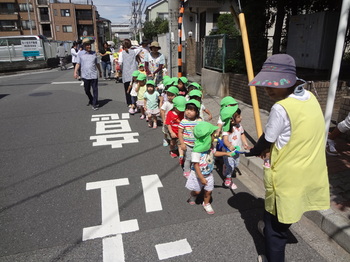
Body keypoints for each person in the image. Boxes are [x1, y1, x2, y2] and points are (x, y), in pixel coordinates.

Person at [244, 54, 330, 262]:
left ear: (289, 81)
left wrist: (254, 150)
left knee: (275, 229)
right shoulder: (310, 97)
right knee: (287, 217)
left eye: (273, 84)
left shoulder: (280, 108)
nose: (267, 89)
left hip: (287, 177)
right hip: (311, 173)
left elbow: (268, 139)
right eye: (265, 85)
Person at [185, 121, 237, 215]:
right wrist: (201, 178)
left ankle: (206, 203)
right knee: (197, 191)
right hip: (197, 176)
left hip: (208, 174)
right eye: (213, 134)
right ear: (206, 138)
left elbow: (215, 153)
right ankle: (193, 195)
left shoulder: (210, 146)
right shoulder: (196, 151)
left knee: (208, 192)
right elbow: (196, 165)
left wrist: (226, 153)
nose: (215, 136)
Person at [220, 108, 249, 189]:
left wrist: (245, 143)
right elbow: (225, 140)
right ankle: (228, 179)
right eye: (239, 116)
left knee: (236, 164)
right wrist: (229, 146)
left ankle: (225, 166)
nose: (241, 118)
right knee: (231, 166)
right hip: (228, 152)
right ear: (232, 120)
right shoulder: (226, 128)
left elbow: (242, 134)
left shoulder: (239, 126)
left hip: (237, 150)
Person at [74, 39, 102, 110]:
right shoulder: (80, 54)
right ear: (84, 46)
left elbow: (97, 63)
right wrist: (75, 72)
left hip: (93, 74)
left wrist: (100, 71)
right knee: (87, 90)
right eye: (87, 45)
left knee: (95, 89)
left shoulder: (94, 53)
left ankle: (95, 103)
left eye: (89, 45)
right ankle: (91, 99)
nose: (89, 46)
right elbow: (78, 63)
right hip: (85, 75)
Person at [178, 99, 202, 177]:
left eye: (192, 110)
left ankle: (195, 169)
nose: (188, 112)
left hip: (197, 144)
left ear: (197, 112)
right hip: (187, 144)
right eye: (187, 109)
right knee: (188, 158)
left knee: (197, 158)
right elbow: (180, 132)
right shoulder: (184, 121)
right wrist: (182, 143)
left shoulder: (199, 121)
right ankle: (186, 171)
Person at [118, 39, 140, 107]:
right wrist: (133, 46)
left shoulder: (121, 53)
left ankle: (129, 103)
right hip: (134, 73)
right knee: (135, 87)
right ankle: (135, 102)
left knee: (127, 88)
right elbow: (140, 48)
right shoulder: (134, 51)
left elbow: (120, 63)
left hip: (126, 73)